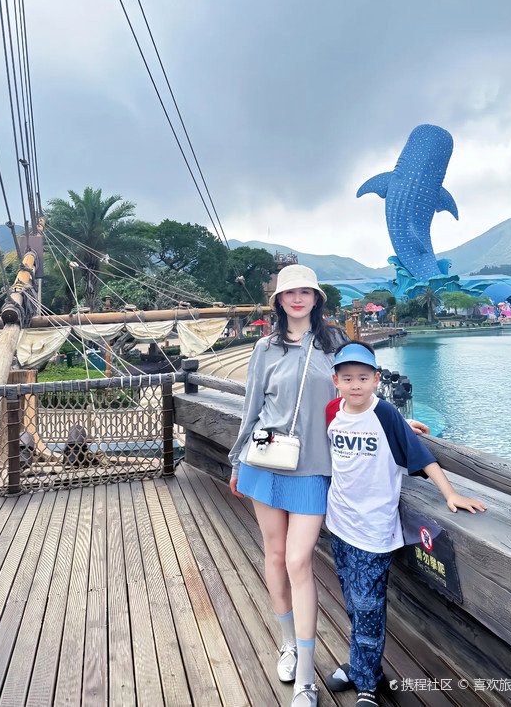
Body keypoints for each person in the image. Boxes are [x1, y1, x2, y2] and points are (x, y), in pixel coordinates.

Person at [323, 341, 486, 707]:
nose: (355, 385)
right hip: (339, 522)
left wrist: (449, 494)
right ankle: (363, 666)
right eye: (347, 378)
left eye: (363, 378)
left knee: (368, 606)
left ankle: (366, 683)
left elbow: (422, 458)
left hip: (373, 531)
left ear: (376, 379)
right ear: (335, 380)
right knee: (353, 602)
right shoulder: (333, 410)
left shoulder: (385, 415)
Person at [228, 264, 347, 706]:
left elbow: (357, 396)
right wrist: (235, 459)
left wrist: (395, 423)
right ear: (278, 300)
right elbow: (251, 405)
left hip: (314, 466)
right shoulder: (265, 347)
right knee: (275, 556)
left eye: (306, 292)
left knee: (300, 562)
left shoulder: (334, 344)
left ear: (316, 299)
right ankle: (288, 644)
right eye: (289, 292)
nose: (297, 299)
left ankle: (306, 682)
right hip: (264, 462)